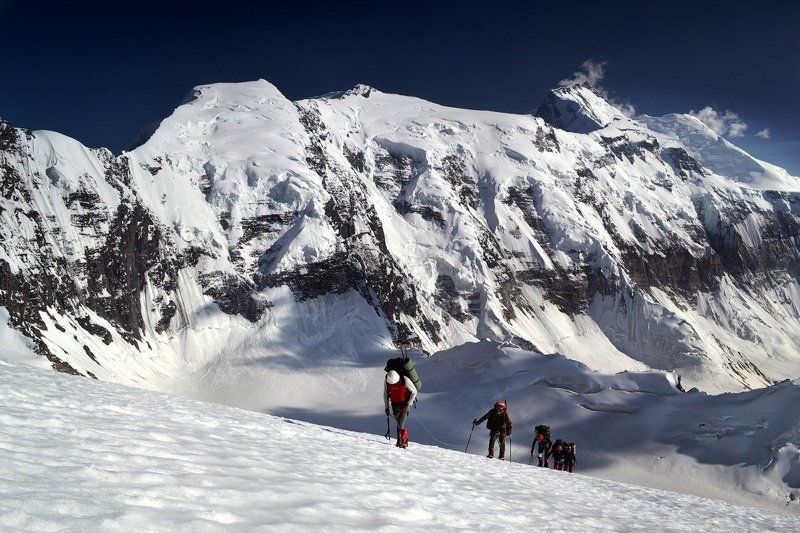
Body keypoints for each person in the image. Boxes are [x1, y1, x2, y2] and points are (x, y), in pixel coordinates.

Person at [384, 370, 417, 448]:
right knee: (399, 423)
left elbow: (414, 392)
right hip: (394, 404)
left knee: (400, 423)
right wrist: (387, 407)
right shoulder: (387, 381)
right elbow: (385, 394)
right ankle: (400, 441)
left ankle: (404, 442)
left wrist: (408, 405)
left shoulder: (405, 379)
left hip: (404, 405)